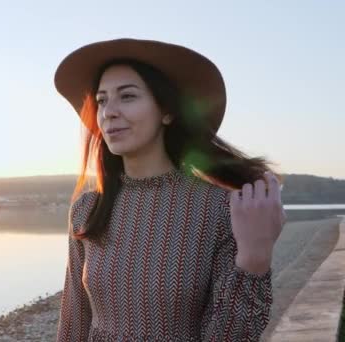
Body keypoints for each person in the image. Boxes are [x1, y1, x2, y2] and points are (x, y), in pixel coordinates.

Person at [53, 38, 286, 341]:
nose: (108, 111)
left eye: (127, 96)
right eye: (101, 100)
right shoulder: (87, 210)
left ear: (167, 111)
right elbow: (74, 320)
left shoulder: (219, 209)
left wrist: (255, 259)